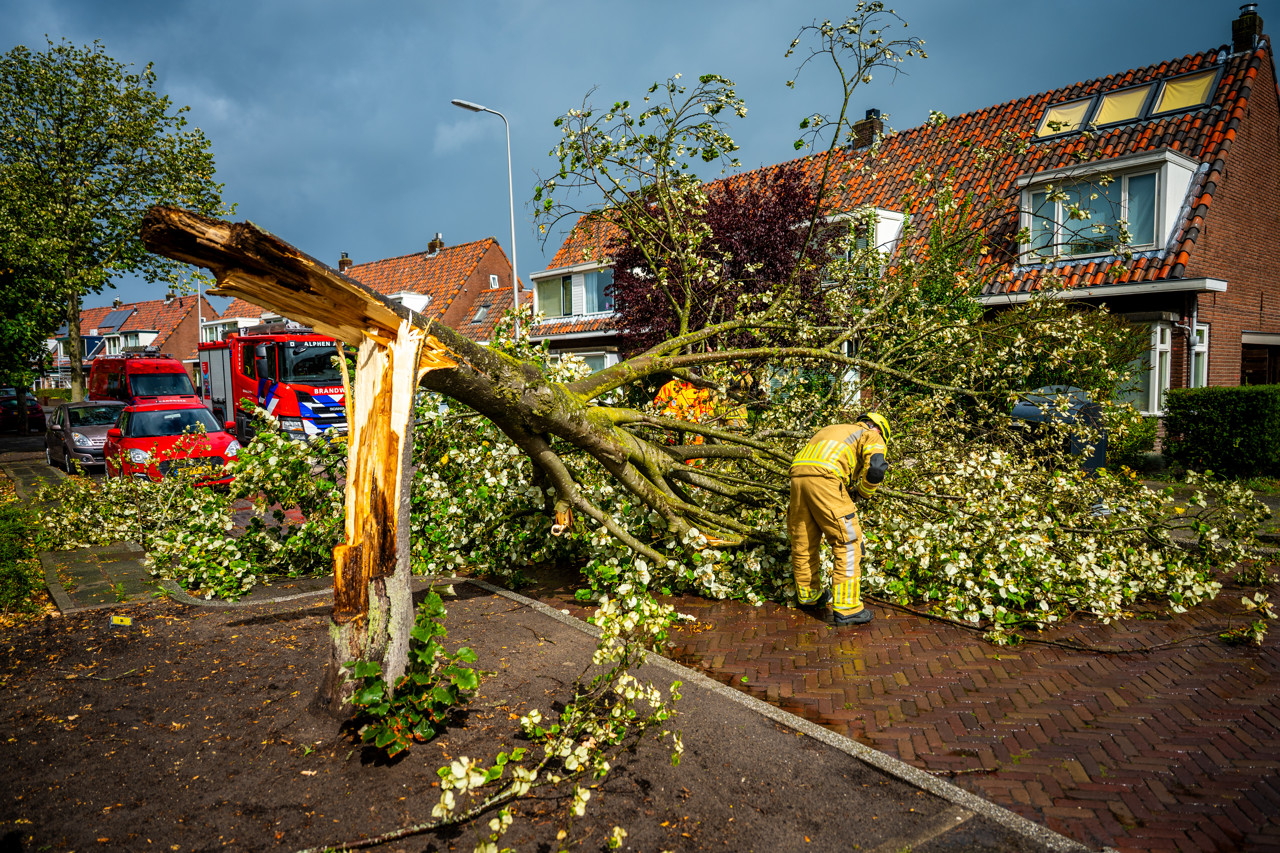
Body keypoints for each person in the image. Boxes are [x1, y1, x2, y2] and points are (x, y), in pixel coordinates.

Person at [787, 413, 891, 626]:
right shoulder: (871, 435)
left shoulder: (832, 429)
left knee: (803, 542)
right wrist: (863, 493)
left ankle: (809, 597)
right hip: (826, 478)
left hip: (797, 479)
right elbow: (876, 469)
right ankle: (848, 608)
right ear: (879, 430)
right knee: (849, 542)